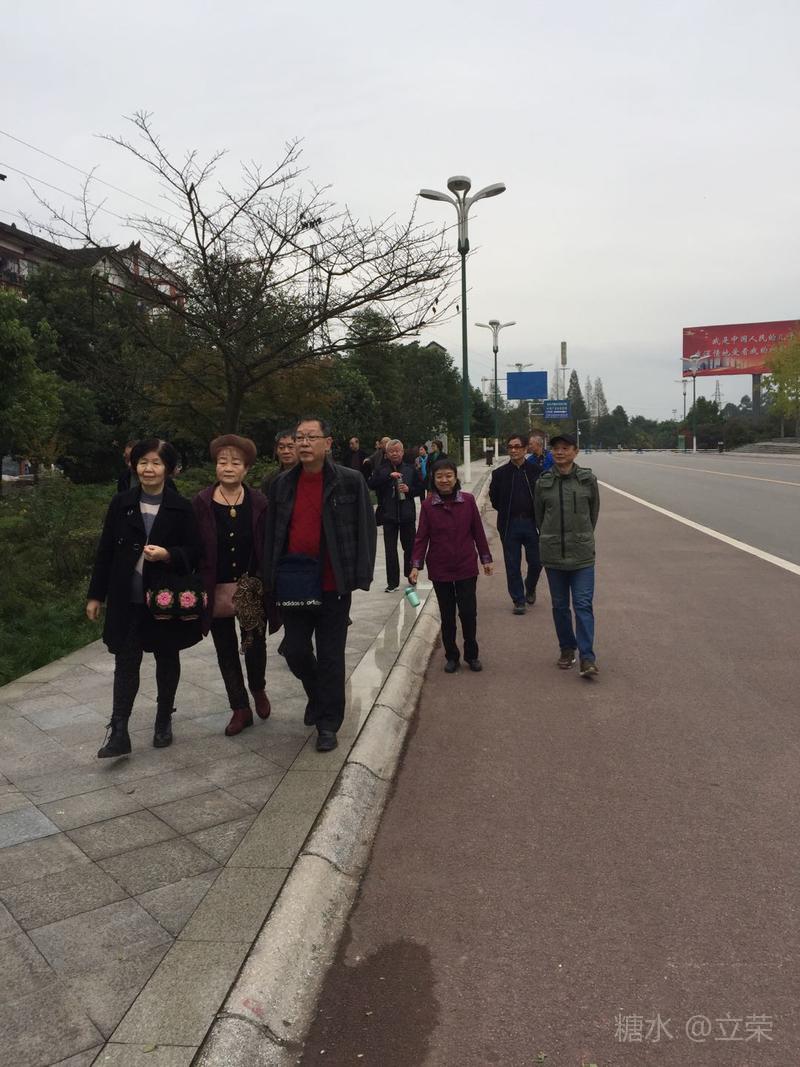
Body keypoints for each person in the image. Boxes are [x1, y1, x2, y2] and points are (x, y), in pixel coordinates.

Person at [262, 416, 377, 752]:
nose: (303, 443)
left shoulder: (350, 481)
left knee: (330, 656)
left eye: (311, 437)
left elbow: (366, 529)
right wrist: (270, 577)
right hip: (295, 582)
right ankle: (317, 694)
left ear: (327, 443)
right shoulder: (282, 484)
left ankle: (328, 724)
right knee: (295, 650)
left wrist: (361, 574)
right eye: (299, 437)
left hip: (332, 584)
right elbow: (273, 534)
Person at [87, 438, 203, 758]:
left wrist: (168, 554)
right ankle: (119, 730)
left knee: (167, 659)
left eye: (156, 463)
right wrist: (96, 595)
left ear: (169, 469)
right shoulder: (121, 503)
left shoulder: (181, 507)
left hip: (164, 600)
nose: (148, 469)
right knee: (126, 663)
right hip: (127, 600)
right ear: (133, 466)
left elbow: (195, 552)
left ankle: (163, 718)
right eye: (142, 462)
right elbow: (106, 551)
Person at [194, 435, 277, 737]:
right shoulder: (201, 503)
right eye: (222, 462)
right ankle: (239, 708)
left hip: (250, 586)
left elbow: (267, 543)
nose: (228, 467)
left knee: (254, 644)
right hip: (215, 587)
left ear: (246, 469)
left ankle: (257, 687)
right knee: (225, 649)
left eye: (235, 463)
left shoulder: (259, 502)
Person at [410, 459, 493, 673]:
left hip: (466, 566)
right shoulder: (428, 505)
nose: (444, 480)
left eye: (448, 475)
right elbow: (421, 537)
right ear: (433, 479)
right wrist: (416, 565)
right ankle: (451, 656)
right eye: (439, 476)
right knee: (447, 615)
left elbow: (478, 532)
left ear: (456, 478)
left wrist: (485, 559)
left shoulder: (467, 500)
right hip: (440, 568)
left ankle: (472, 655)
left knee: (468, 612)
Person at [534, 432, 600, 677]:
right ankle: (566, 648)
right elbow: (539, 516)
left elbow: (593, 514)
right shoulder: (543, 482)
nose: (560, 452)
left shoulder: (587, 480)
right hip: (553, 555)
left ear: (575, 451)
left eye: (565, 448)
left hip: (582, 556)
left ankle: (587, 657)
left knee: (583, 605)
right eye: (556, 448)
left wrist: (581, 536)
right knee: (560, 606)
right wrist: (551, 537)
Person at [489, 432, 541, 615]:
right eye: (510, 447)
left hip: (532, 523)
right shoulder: (500, 474)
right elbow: (494, 500)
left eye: (517, 447)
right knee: (512, 565)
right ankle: (518, 600)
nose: (513, 450)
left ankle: (530, 585)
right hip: (510, 524)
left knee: (537, 561)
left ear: (525, 449)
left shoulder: (536, 472)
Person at [368, 438, 423, 593]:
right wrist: (388, 477)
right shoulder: (381, 470)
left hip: (407, 515)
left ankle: (410, 575)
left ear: (402, 452)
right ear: (386, 453)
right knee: (390, 551)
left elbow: (421, 488)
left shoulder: (410, 469)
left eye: (397, 451)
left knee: (410, 548)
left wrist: (409, 490)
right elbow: (371, 484)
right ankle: (392, 583)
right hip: (389, 516)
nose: (395, 454)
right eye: (391, 451)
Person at [262, 428, 297, 493]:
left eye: (290, 447)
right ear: (276, 451)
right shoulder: (270, 479)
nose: (286, 451)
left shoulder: (308, 475)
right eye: (281, 447)